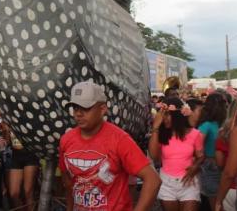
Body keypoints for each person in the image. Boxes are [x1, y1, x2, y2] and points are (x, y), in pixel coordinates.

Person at [59, 81, 161, 211]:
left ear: (102, 109)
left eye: (86, 108)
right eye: (75, 108)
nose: (78, 114)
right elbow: (68, 182)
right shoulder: (66, 140)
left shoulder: (120, 140)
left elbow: (153, 180)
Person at [148, 97, 204, 211]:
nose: (165, 119)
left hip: (189, 183)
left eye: (168, 114)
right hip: (167, 183)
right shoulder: (161, 135)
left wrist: (195, 166)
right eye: (163, 115)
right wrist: (155, 127)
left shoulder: (195, 134)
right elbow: (154, 156)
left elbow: (201, 157)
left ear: (178, 114)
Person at [198, 92, 228, 209]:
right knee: (217, 203)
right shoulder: (208, 125)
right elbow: (197, 146)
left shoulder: (213, 124)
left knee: (219, 203)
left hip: (219, 165)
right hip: (213, 166)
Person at [7, 130, 40, 211]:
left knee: (28, 191)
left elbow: (18, 145)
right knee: (14, 193)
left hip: (31, 156)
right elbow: (16, 145)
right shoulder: (10, 122)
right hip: (16, 157)